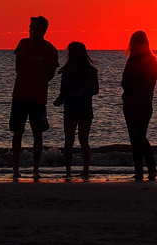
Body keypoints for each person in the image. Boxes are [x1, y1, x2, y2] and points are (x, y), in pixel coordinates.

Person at [11, 15, 60, 180]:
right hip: (20, 95)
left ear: (43, 30)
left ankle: (36, 169)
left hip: (38, 97)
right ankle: (15, 168)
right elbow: (18, 66)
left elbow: (51, 73)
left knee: (37, 133)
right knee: (17, 132)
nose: (30, 30)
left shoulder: (50, 49)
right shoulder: (23, 44)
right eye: (30, 27)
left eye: (34, 27)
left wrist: (38, 81)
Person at [53, 41, 100, 180]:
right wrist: (84, 92)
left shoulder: (68, 71)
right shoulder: (91, 71)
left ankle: (68, 171)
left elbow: (64, 91)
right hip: (85, 108)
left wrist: (59, 100)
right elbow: (95, 90)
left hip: (71, 108)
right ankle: (85, 170)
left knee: (69, 140)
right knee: (84, 140)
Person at [121, 30, 157, 181]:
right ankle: (149, 169)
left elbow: (124, 82)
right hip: (145, 104)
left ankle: (141, 171)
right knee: (140, 136)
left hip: (133, 103)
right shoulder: (152, 60)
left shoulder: (134, 60)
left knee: (136, 137)